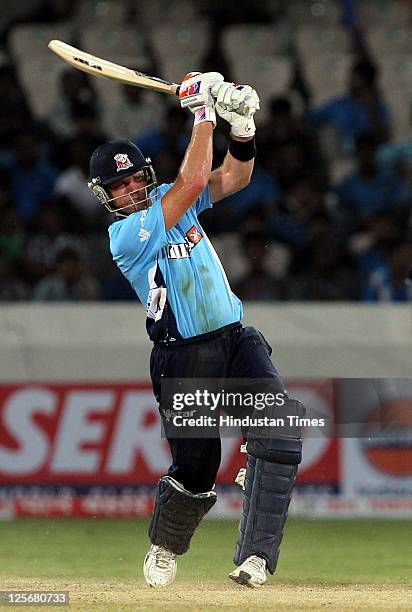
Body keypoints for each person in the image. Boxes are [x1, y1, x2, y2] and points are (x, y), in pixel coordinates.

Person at [88, 72, 303, 589]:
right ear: (107, 196)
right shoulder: (126, 234)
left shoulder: (169, 194)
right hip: (183, 355)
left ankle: (255, 559)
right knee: (197, 470)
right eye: (121, 186)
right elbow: (189, 186)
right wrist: (204, 113)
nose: (133, 188)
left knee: (280, 436)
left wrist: (243, 128)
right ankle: (165, 546)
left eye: (136, 177)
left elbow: (232, 178)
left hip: (234, 336)